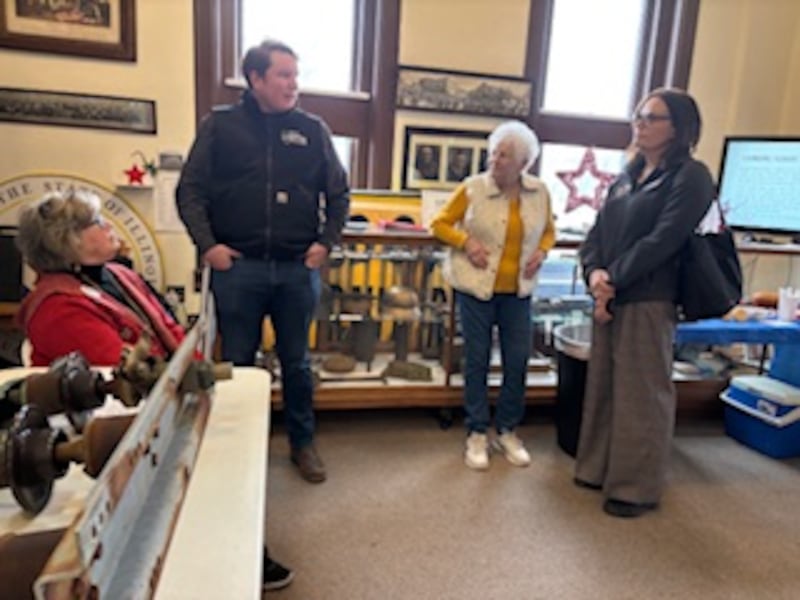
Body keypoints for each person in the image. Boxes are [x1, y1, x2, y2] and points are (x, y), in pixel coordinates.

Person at [15, 190, 294, 592]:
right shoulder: (59, 306)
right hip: (107, 419)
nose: (108, 226)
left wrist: (194, 366)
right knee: (214, 462)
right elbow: (119, 376)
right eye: (96, 223)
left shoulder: (118, 274)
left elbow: (169, 326)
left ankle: (231, 540)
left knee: (231, 447)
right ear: (68, 241)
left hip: (161, 393)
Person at [176, 39, 350, 484]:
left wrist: (326, 243)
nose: (294, 84)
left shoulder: (313, 131)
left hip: (296, 270)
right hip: (239, 269)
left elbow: (339, 194)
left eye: (296, 75)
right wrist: (208, 245)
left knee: (296, 362)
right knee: (237, 362)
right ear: (256, 79)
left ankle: (302, 443)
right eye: (284, 75)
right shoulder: (220, 126)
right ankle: (234, 445)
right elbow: (189, 192)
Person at [574, 88, 715, 518]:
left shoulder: (691, 176)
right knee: (602, 387)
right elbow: (597, 234)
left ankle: (635, 488)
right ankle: (598, 468)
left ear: (679, 128)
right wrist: (595, 272)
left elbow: (665, 239)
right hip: (611, 295)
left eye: (652, 117)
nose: (641, 123)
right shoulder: (626, 175)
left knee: (642, 394)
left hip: (650, 298)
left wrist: (612, 279)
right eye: (638, 115)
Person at [431, 121, 556, 470]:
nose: (495, 160)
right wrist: (465, 242)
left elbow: (549, 231)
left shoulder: (540, 192)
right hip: (476, 290)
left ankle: (508, 430)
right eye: (494, 153)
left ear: (524, 164)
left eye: (504, 156)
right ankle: (476, 432)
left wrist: (542, 252)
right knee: (477, 360)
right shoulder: (472, 188)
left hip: (518, 292)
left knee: (517, 360)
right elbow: (439, 224)